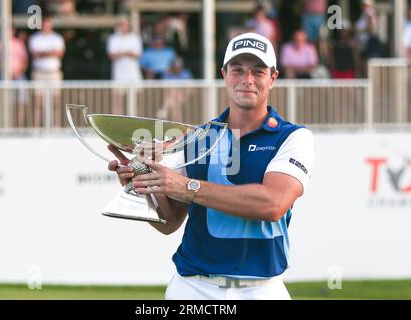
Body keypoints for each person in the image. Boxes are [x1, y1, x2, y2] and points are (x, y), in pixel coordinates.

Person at [107, 32, 315, 300]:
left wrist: (186, 186)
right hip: (193, 287)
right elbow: (169, 222)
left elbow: (272, 204)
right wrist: (144, 184)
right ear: (224, 74)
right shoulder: (197, 137)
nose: (246, 80)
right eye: (237, 70)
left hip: (263, 289)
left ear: (273, 78)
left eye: (258, 71)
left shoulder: (293, 137)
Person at [28, 15, 65, 128]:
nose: (46, 27)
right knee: (38, 101)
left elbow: (59, 53)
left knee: (56, 101)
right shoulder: (35, 38)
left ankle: (56, 125)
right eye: (44, 25)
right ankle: (36, 126)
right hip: (39, 72)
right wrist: (51, 52)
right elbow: (35, 54)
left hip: (54, 73)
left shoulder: (57, 38)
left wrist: (43, 53)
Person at [0, 28, 29, 126]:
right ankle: (3, 125)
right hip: (2, 77)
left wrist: (17, 72)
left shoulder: (19, 43)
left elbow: (25, 61)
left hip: (18, 76)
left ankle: (19, 125)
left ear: (13, 31)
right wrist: (7, 73)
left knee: (21, 102)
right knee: (1, 102)